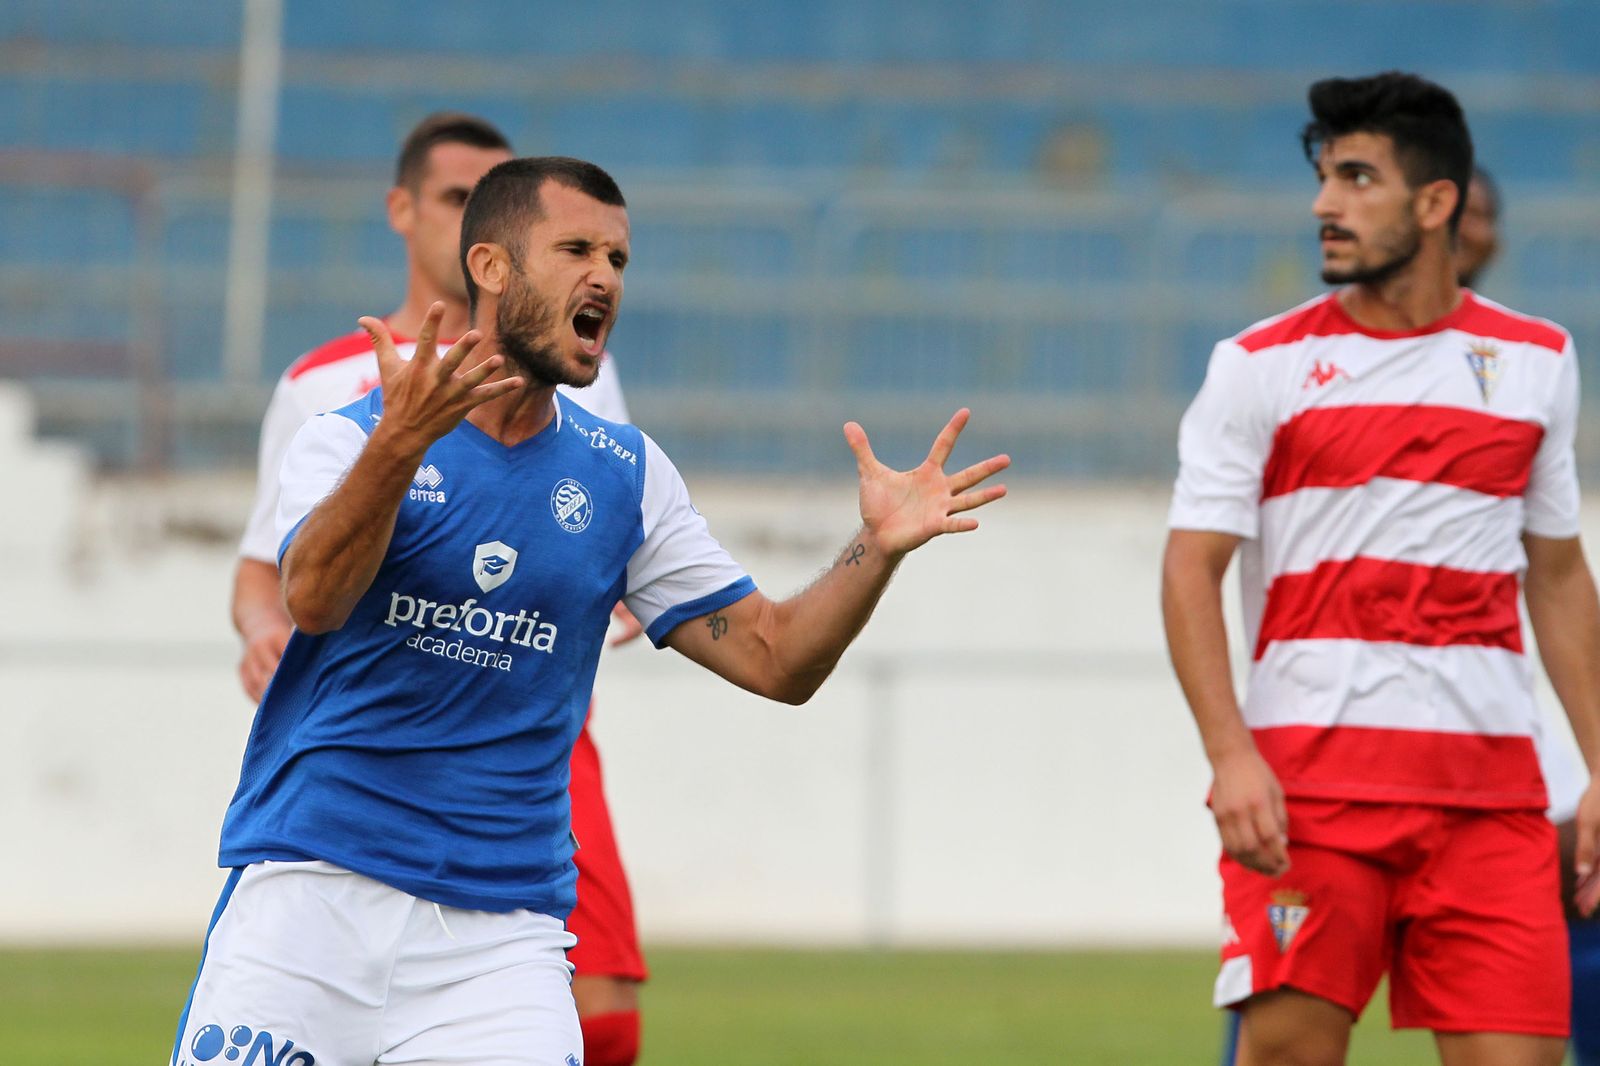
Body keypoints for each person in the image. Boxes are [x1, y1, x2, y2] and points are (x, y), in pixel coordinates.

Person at [175, 155, 1009, 1066]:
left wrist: (874, 550)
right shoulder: (346, 435)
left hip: (497, 943)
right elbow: (316, 599)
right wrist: (402, 444)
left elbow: (777, 658)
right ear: (491, 267)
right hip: (310, 895)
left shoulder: (626, 477)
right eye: (576, 249)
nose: (604, 277)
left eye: (617, 258)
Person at [1164, 72, 1600, 1066]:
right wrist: (1229, 753)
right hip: (1312, 800)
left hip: (1490, 804)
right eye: (1324, 177)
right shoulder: (1258, 365)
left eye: (1357, 177)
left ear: (1435, 202)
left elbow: (1560, 574)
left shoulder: (1538, 362)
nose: (1325, 203)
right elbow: (1189, 568)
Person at [228, 115, 646, 1066]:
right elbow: (271, 570)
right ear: (408, 212)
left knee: (606, 1009)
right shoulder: (324, 387)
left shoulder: (588, 373)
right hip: (373, 739)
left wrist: (614, 580)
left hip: (532, 737)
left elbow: (604, 503)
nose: (595, 270)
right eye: (455, 196)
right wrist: (263, 629)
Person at [1452, 163, 1600, 1066]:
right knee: (1289, 1013)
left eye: (1479, 214)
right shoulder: (1295, 365)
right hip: (1358, 756)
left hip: (1518, 761)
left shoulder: (1527, 370)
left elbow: (1558, 572)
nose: (1462, 229)